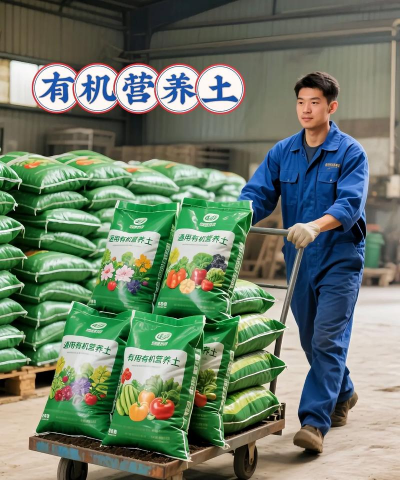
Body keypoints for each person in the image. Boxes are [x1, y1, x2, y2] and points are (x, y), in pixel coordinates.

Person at [239, 71, 368, 454]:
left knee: (328, 338)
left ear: (331, 107)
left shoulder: (350, 153)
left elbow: (350, 203)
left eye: (314, 102)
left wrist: (315, 225)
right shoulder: (284, 152)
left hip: (340, 258)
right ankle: (343, 391)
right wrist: (232, 218)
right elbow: (258, 194)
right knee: (313, 340)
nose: (306, 109)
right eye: (301, 102)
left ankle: (314, 422)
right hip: (299, 259)